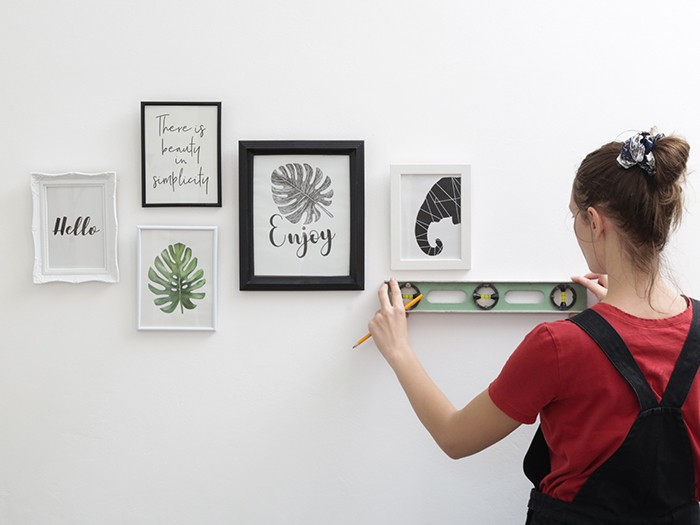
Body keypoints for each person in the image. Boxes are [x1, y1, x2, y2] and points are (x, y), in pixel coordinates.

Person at [367, 130, 700, 524]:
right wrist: (616, 315)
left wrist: (399, 350)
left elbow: (455, 437)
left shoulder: (558, 345)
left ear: (594, 222)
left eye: (574, 215)